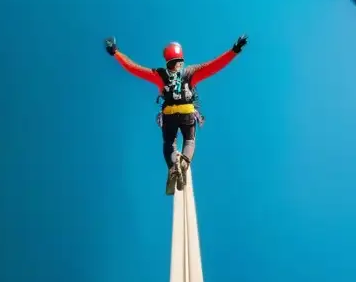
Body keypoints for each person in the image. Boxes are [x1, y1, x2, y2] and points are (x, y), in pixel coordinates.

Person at [105, 34, 248, 194]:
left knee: (169, 143)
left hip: (168, 113)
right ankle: (184, 163)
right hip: (187, 110)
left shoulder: (159, 74)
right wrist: (234, 50)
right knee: (189, 140)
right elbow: (214, 66)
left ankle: (173, 167)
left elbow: (133, 68)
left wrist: (115, 52)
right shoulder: (191, 72)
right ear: (181, 57)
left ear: (167, 58)